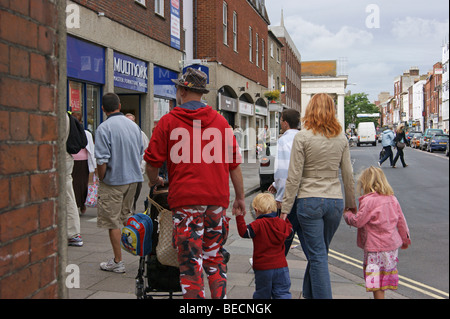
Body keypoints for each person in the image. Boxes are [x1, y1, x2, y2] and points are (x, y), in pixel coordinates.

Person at [144, 68, 245, 299]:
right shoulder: (221, 122)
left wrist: (155, 180)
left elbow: (152, 162)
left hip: (186, 201)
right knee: (214, 256)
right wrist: (239, 198)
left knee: (190, 261)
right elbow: (234, 165)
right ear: (201, 93)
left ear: (181, 90)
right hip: (216, 201)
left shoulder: (168, 121)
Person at [281, 93, 356, 299]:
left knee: (318, 256)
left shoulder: (302, 137)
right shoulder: (341, 137)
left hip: (309, 200)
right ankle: (309, 294)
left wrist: (285, 209)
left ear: (310, 110)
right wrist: (351, 203)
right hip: (334, 202)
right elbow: (348, 174)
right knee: (319, 254)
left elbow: (293, 176)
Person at [343, 166, 411, 299]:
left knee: (375, 282)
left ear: (365, 183)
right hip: (391, 248)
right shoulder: (392, 198)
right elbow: (401, 221)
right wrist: (405, 239)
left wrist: (348, 214)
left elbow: (358, 221)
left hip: (375, 249)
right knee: (384, 280)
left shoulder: (369, 201)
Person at [95, 93, 144, 273]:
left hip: (114, 180)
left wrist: (101, 178)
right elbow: (140, 151)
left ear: (103, 109)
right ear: (120, 105)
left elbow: (102, 160)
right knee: (127, 217)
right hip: (133, 179)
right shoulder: (134, 126)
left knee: (112, 221)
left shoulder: (103, 128)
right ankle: (142, 255)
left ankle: (118, 261)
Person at [236, 193, 293, 299]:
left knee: (262, 294)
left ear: (256, 210)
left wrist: (239, 217)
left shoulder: (258, 224)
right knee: (282, 293)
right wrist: (284, 216)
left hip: (263, 268)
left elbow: (244, 232)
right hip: (281, 267)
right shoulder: (281, 223)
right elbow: (289, 230)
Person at [267, 109, 308, 257]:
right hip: (306, 193)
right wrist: (275, 183)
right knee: (305, 237)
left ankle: (275, 265)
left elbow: (283, 169)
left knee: (284, 235)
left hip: (290, 196)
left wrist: (280, 194)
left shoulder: (283, 140)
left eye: (281, 121)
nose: (280, 124)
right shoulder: (305, 137)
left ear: (285, 123)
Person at [66, 112, 85, 247]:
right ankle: (72, 232)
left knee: (68, 196)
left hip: (62, 158)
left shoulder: (60, 116)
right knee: (68, 195)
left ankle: (72, 233)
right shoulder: (66, 116)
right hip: (67, 158)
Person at [71, 112, 96, 215]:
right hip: (74, 161)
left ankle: (81, 204)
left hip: (82, 162)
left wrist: (94, 166)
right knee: (76, 184)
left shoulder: (86, 133)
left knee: (81, 184)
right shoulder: (71, 132)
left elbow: (91, 148)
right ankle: (77, 204)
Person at [125, 113, 150, 213]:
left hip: (136, 171)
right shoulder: (120, 134)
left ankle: (131, 209)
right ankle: (126, 212)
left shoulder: (141, 134)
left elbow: (146, 151)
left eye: (131, 121)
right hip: (123, 172)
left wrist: (141, 168)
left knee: (135, 193)